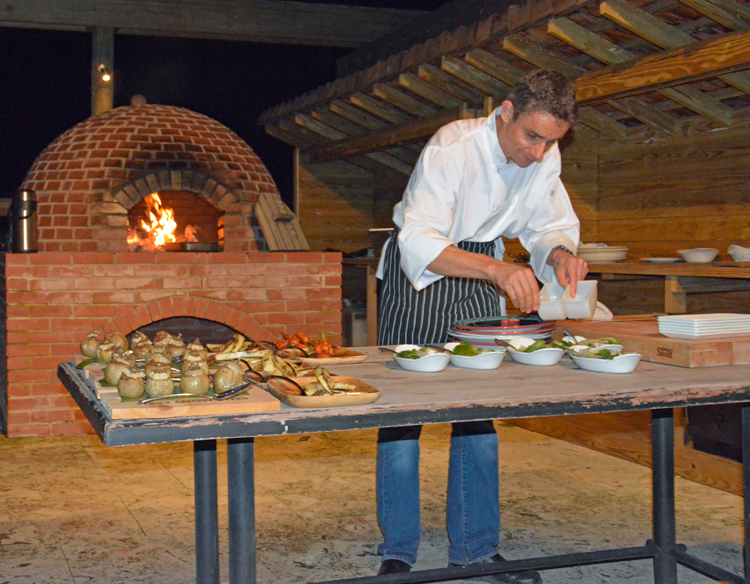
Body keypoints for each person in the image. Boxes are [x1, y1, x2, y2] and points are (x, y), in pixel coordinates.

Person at [374, 70, 589, 584]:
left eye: (551, 141)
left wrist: (558, 253)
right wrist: (496, 269)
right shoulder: (452, 146)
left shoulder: (544, 156)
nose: (539, 153)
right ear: (505, 112)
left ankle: (473, 548)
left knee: (478, 411)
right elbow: (419, 238)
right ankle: (398, 552)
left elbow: (545, 225)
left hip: (482, 276)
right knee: (404, 418)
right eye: (531, 137)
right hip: (421, 276)